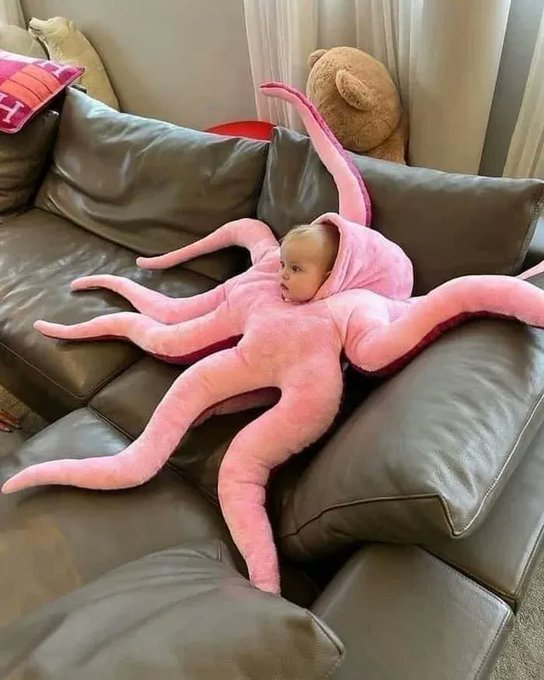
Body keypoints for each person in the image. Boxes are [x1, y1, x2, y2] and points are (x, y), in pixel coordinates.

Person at [279, 223, 340, 302]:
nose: (283, 274)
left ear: (327, 279)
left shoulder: (336, 306)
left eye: (295, 269)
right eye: (283, 264)